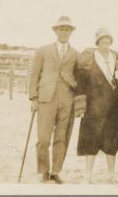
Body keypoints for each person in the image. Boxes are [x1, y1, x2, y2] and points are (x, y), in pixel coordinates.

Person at [29, 16, 82, 184]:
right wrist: (34, 98)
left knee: (62, 137)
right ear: (56, 31)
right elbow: (34, 75)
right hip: (46, 99)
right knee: (43, 138)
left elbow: (79, 78)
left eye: (67, 29)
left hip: (67, 100)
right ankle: (43, 170)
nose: (64, 32)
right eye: (61, 29)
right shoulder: (42, 50)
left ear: (71, 32)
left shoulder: (76, 54)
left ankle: (55, 171)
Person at [76, 27, 118, 184]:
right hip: (93, 107)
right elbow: (80, 83)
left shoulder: (117, 57)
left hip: (114, 107)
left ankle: (111, 174)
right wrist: (81, 106)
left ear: (111, 41)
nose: (105, 41)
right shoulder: (89, 57)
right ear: (97, 41)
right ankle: (88, 175)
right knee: (90, 141)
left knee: (112, 142)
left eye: (108, 39)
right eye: (102, 39)